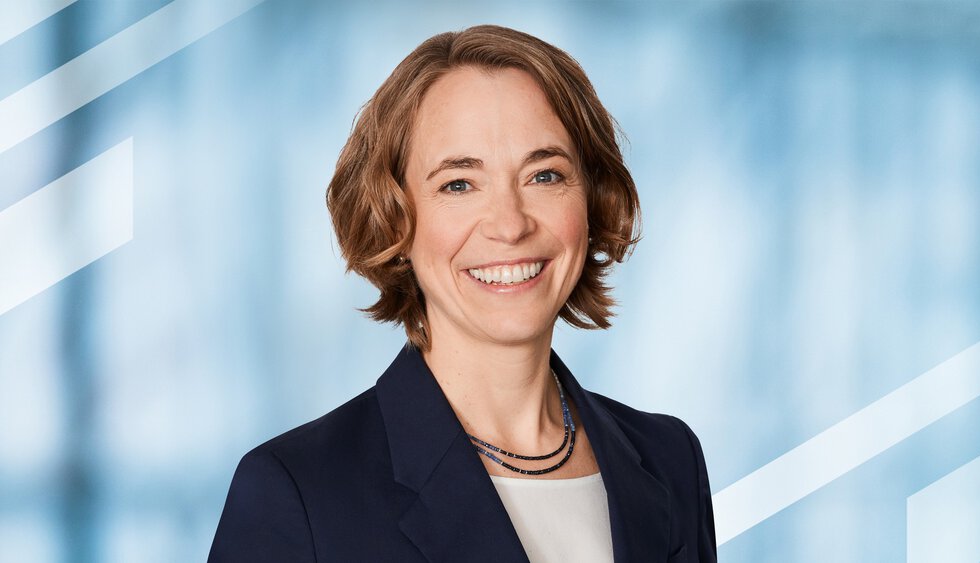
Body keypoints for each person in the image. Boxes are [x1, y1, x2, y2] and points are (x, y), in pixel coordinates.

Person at [209, 24, 716, 563]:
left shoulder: (668, 459)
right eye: (458, 184)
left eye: (544, 175)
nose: (510, 224)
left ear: (591, 200)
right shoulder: (300, 492)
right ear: (395, 222)